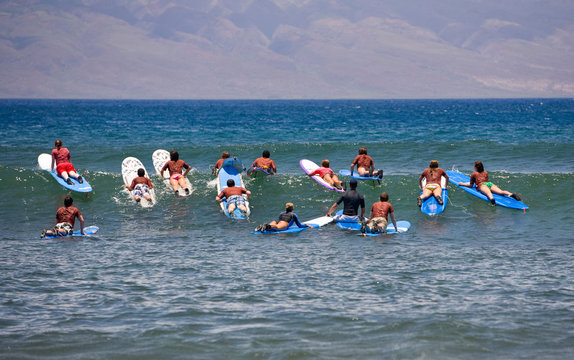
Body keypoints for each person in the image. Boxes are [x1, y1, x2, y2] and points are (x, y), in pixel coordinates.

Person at [458, 161, 522, 205]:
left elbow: (471, 185)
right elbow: (485, 181)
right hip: (489, 184)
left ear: (475, 167)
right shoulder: (485, 172)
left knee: (488, 193)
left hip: (482, 185)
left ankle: (492, 200)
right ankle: (511, 194)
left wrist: (462, 184)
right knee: (501, 192)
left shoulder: (473, 174)